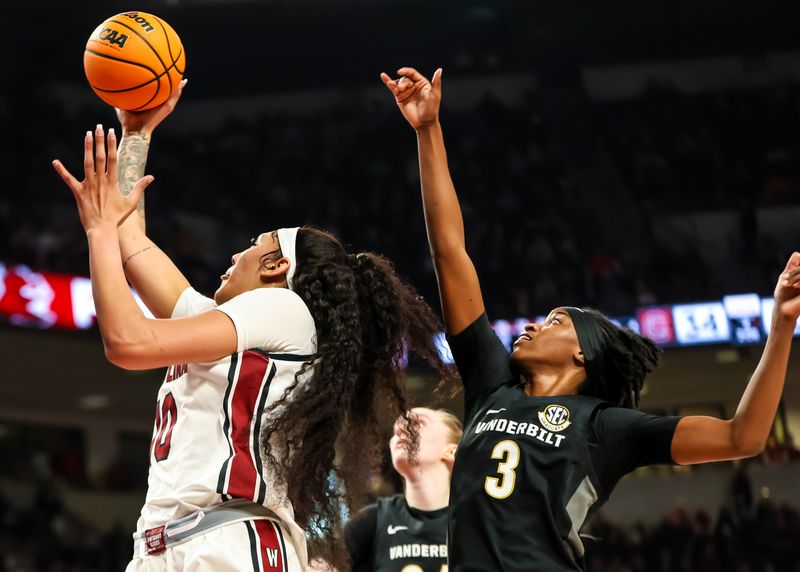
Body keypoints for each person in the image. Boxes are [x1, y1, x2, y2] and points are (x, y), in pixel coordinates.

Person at [381, 66, 800, 571]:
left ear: (583, 351)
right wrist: (428, 130)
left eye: (557, 320)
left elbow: (743, 437)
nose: (536, 324)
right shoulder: (493, 385)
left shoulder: (604, 426)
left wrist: (780, 327)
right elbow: (450, 252)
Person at [51, 86, 453, 571]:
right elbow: (128, 236)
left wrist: (95, 232)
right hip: (171, 543)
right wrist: (137, 132)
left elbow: (127, 342)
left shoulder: (283, 311)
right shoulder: (235, 327)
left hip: (228, 540)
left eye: (251, 244)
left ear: (275, 265)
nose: (234, 254)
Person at [346, 407, 461, 571]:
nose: (400, 429)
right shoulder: (369, 521)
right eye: (396, 430)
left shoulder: (476, 522)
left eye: (419, 423)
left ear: (451, 451)